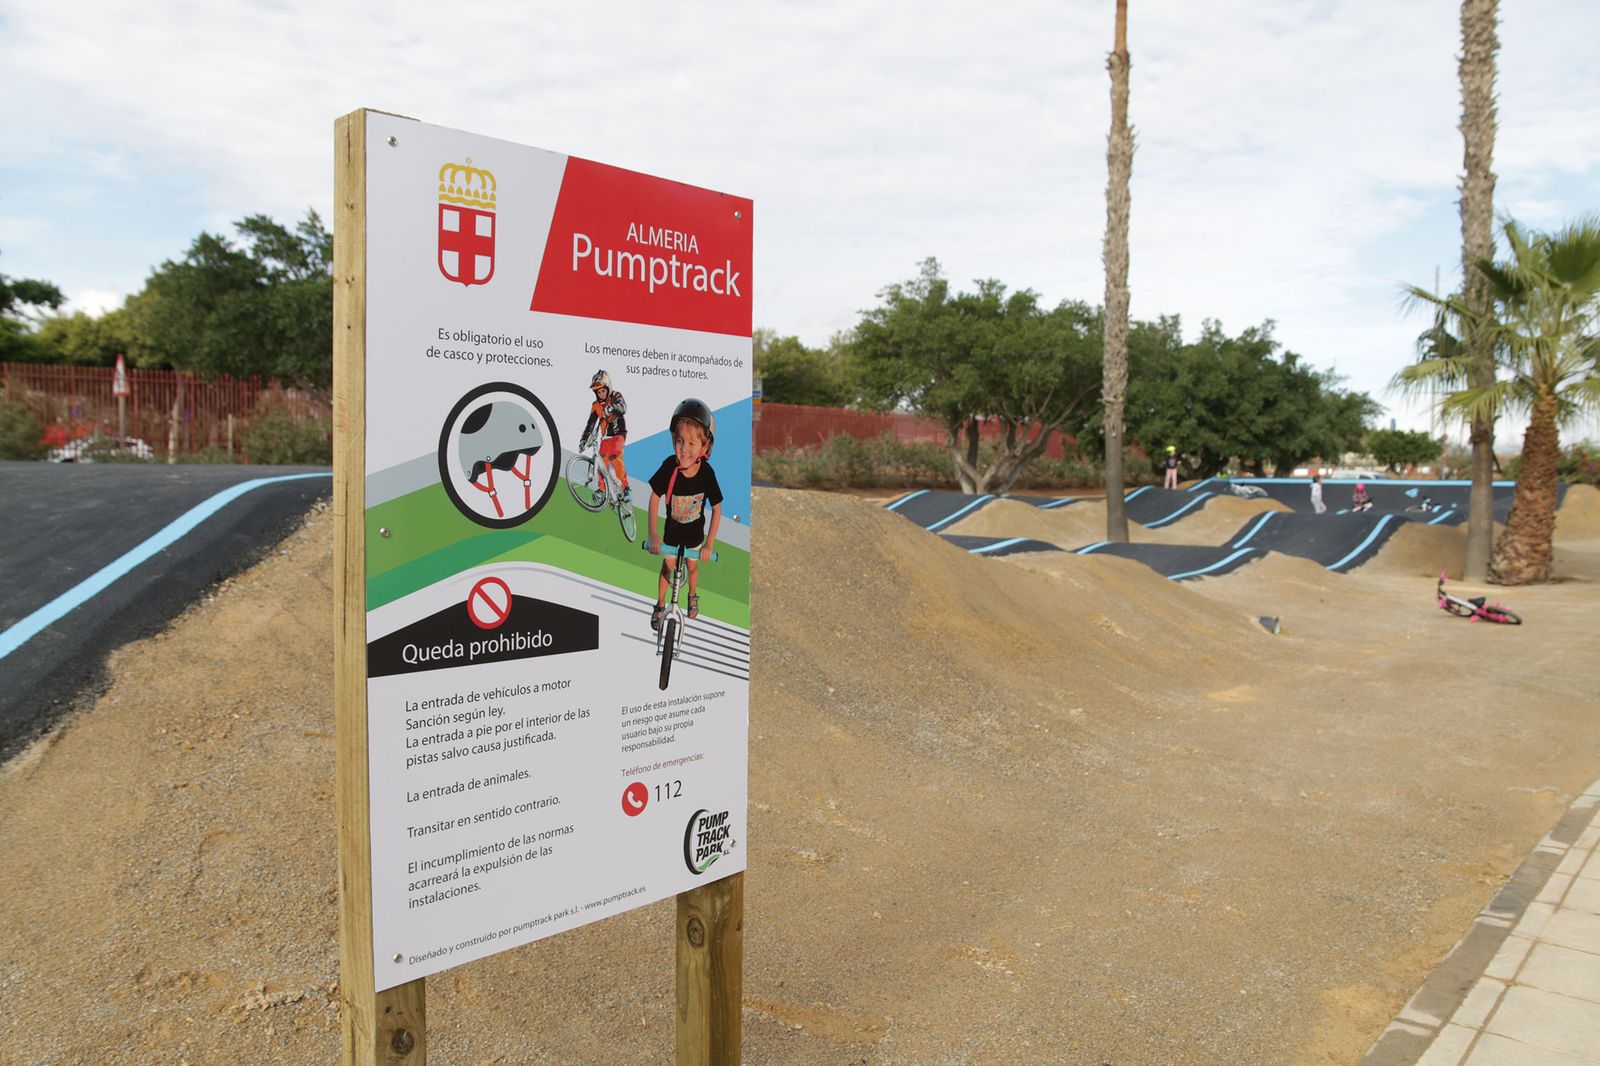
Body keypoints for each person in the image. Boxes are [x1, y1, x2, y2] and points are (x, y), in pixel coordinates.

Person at [646, 398, 723, 629]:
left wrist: (708, 545)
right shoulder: (670, 466)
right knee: (667, 568)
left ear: (705, 447)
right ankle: (660, 603)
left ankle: (692, 594)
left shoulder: (707, 474)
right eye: (679, 441)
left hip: (694, 538)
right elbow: (654, 497)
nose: (684, 449)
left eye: (691, 443)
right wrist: (653, 535)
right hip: (671, 535)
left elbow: (717, 509)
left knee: (692, 567)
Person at [579, 370, 630, 501]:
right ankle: (602, 490)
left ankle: (626, 488)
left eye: (603, 391)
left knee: (614, 455)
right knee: (600, 461)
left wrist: (613, 407)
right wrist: (583, 440)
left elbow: (623, 407)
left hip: (619, 433)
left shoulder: (615, 396)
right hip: (606, 437)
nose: (601, 394)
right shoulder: (596, 405)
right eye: (598, 392)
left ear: (608, 388)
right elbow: (590, 424)